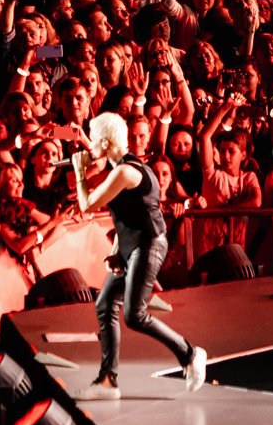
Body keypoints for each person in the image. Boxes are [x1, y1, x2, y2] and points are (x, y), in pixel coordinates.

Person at [72, 112, 208, 396]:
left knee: (134, 314)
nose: (89, 145)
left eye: (93, 139)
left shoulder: (127, 171)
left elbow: (87, 205)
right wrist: (116, 250)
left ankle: (190, 353)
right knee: (105, 304)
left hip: (149, 245)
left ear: (105, 142)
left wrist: (79, 172)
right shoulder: (122, 170)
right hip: (133, 245)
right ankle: (107, 380)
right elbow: (127, 216)